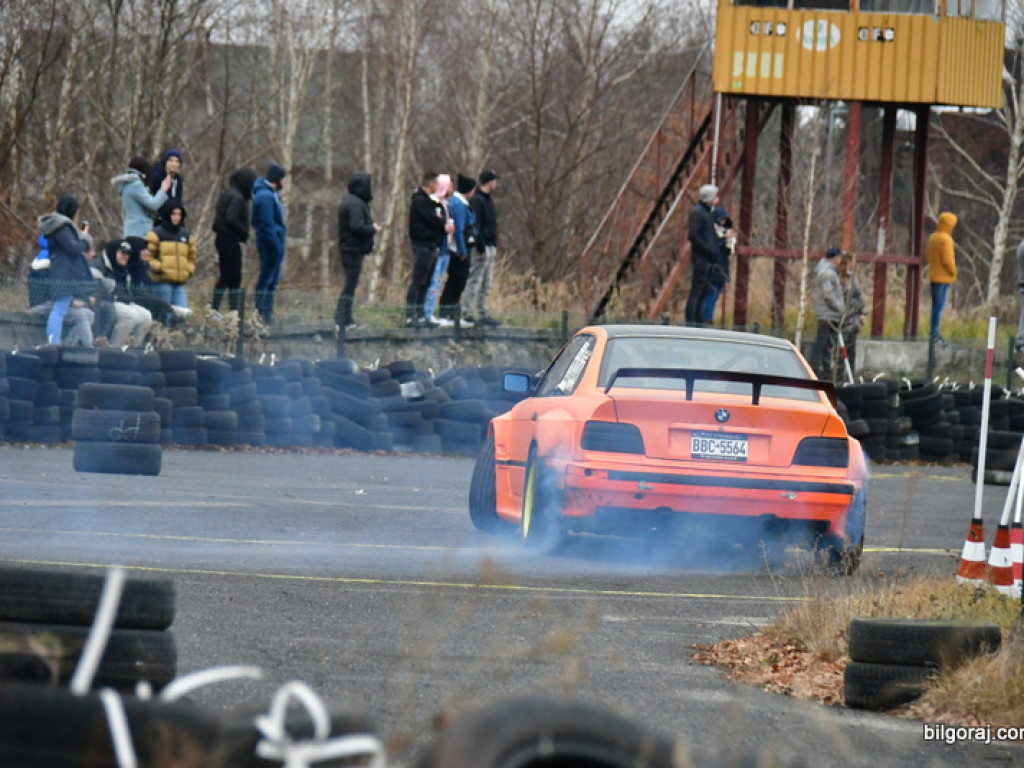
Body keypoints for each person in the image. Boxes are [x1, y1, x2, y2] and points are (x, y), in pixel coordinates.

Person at [35, 194, 96, 346]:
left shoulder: (59, 227)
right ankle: (53, 341)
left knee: (70, 310)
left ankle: (63, 342)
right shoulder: (61, 226)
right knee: (59, 310)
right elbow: (74, 249)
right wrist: (85, 238)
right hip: (64, 273)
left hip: (64, 272)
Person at [334, 171, 380, 331]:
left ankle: (345, 318)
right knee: (349, 286)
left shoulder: (353, 202)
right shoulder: (355, 204)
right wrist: (372, 229)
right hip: (352, 249)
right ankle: (342, 319)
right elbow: (356, 226)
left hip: (352, 248)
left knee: (350, 285)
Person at [88, 240, 154, 347]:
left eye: (127, 254)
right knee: (130, 315)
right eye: (122, 253)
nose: (125, 257)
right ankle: (113, 348)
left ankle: (134, 348)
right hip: (105, 303)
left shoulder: (124, 270)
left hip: (121, 301)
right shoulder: (98, 267)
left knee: (146, 315)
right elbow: (94, 292)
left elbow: (127, 295)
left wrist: (121, 297)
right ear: (114, 252)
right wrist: (112, 297)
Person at [406, 171, 450, 328]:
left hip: (432, 245)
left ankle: (420, 313)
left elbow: (440, 219)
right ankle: (411, 315)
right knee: (418, 280)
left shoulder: (431, 202)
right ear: (431, 184)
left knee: (426, 281)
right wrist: (439, 222)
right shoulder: (420, 201)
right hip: (422, 244)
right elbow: (434, 221)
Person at [211, 167, 257, 314]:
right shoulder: (237, 197)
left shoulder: (227, 192)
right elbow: (231, 218)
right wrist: (244, 232)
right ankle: (222, 310)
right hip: (230, 239)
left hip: (223, 239)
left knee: (228, 276)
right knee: (232, 277)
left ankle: (224, 310)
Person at [437, 173, 477, 327]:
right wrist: (462, 250)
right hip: (459, 250)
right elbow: (459, 230)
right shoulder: (459, 204)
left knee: (457, 281)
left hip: (457, 249)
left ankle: (452, 313)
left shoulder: (456, 202)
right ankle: (447, 313)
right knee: (456, 281)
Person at [252, 162, 288, 324]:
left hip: (276, 242)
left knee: (273, 280)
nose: (285, 182)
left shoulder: (270, 194)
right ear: (277, 179)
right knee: (267, 279)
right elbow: (267, 223)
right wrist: (274, 243)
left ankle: (267, 312)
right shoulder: (265, 196)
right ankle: (262, 313)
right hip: (270, 244)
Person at [145, 203, 197, 313]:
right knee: (165, 314)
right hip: (162, 281)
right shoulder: (156, 233)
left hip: (179, 281)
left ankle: (178, 331)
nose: (176, 217)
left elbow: (192, 257)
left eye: (179, 214)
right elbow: (148, 256)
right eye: (173, 214)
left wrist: (188, 271)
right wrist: (161, 268)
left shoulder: (185, 235)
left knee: (183, 313)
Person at [464, 169, 500, 326]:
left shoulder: (488, 200)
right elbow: (475, 224)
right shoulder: (478, 200)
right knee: (475, 279)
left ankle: (483, 310)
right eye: (495, 181)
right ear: (489, 182)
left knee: (487, 281)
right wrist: (481, 245)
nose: (496, 184)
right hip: (481, 247)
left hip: (490, 245)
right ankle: (467, 310)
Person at [111, 157, 173, 248]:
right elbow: (153, 204)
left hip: (131, 231)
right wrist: (163, 189)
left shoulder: (127, 185)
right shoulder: (136, 185)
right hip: (139, 232)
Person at [809, 246, 847, 380]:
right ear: (835, 258)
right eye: (840, 257)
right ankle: (815, 371)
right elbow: (828, 294)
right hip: (828, 314)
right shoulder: (827, 273)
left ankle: (824, 372)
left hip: (829, 314)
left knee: (826, 344)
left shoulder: (828, 272)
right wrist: (840, 309)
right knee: (823, 344)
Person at [686, 184, 719, 326]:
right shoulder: (698, 213)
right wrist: (708, 249)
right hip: (701, 258)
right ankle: (691, 320)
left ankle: (698, 319)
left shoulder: (706, 213)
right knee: (697, 289)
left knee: (704, 289)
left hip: (707, 258)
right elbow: (693, 235)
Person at [423, 173, 453, 325]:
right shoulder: (435, 204)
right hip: (438, 247)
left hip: (445, 248)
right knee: (433, 281)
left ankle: (431, 311)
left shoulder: (446, 204)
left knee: (438, 281)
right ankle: (427, 312)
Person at [925, 211, 958, 344]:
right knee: (939, 306)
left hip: (933, 276)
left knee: (935, 305)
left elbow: (928, 255)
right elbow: (948, 260)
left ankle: (933, 331)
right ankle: (935, 332)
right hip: (944, 278)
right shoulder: (946, 239)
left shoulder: (933, 237)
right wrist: (953, 273)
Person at [700, 206, 735, 324]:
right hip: (713, 269)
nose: (723, 222)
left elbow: (728, 250)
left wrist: (729, 240)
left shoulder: (723, 231)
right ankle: (706, 317)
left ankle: (707, 317)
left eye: (724, 220)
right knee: (711, 294)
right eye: (721, 219)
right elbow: (713, 247)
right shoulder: (711, 232)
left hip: (722, 269)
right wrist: (725, 239)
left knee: (715, 295)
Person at [839, 251, 867, 374]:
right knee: (841, 349)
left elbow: (859, 297)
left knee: (851, 349)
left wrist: (863, 313)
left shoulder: (853, 279)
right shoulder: (839, 279)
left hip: (853, 319)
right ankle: (840, 374)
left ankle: (850, 373)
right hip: (843, 318)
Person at [148, 149, 184, 220]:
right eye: (171, 160)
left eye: (177, 161)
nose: (174, 164)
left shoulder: (178, 181)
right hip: (156, 219)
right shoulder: (156, 177)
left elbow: (178, 201)